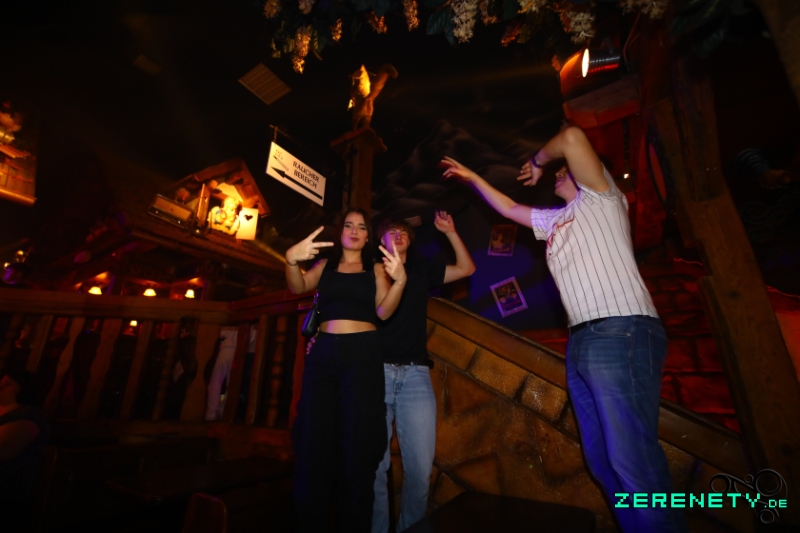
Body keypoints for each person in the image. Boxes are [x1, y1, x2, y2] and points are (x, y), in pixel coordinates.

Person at [440, 126, 687, 533]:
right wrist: (472, 178)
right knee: (602, 463)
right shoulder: (555, 219)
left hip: (621, 331)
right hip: (582, 341)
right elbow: (508, 208)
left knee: (633, 463)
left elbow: (571, 137)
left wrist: (538, 161)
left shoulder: (603, 198)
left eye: (564, 171)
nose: (559, 173)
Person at [286, 207, 407, 533]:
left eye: (361, 227)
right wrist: (291, 260)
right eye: (349, 225)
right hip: (324, 355)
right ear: (340, 233)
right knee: (315, 439)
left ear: (368, 236)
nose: (354, 231)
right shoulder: (324, 266)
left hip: (362, 356)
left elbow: (384, 312)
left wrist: (400, 282)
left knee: (357, 444)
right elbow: (298, 286)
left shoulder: (376, 269)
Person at [371, 211, 475, 533]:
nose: (399, 234)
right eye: (391, 230)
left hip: (416, 376)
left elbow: (467, 268)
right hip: (377, 373)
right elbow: (373, 312)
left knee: (419, 471)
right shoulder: (374, 270)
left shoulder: (421, 269)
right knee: (374, 468)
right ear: (380, 240)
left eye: (403, 231)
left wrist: (451, 232)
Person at [0, 367, 49, 531]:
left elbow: (3, 449)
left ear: (23, 388)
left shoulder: (29, 415)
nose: (0, 386)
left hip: (8, 495)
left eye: (8, 384)